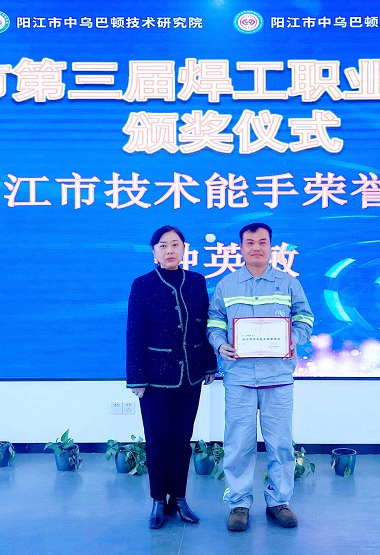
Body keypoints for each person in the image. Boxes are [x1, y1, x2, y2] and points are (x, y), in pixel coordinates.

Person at [207, 222, 314, 532]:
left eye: (262, 242)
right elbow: (214, 322)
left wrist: (293, 338)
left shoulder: (289, 284)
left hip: (278, 377)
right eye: (250, 242)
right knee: (238, 444)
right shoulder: (227, 285)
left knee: (280, 445)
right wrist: (220, 344)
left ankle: (279, 502)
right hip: (239, 378)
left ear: (271, 247)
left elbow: (305, 318)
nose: (256, 247)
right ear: (241, 248)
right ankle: (239, 503)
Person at [126, 225, 218, 530]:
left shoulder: (196, 281)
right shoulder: (142, 284)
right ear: (154, 251)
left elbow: (204, 325)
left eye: (175, 244)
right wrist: (136, 377)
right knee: (156, 442)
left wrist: (209, 364)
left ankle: (179, 498)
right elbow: (134, 332)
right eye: (163, 245)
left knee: (181, 441)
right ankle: (157, 501)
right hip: (154, 379)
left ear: (184, 248)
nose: (169, 250)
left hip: (190, 377)